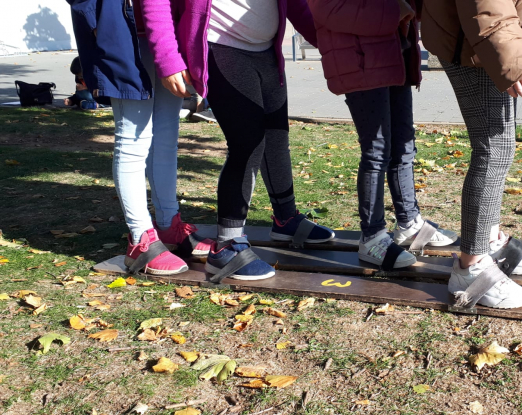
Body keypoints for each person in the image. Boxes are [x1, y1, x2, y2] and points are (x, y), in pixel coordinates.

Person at [141, 0, 334, 282]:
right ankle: (227, 247)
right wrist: (167, 58)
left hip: (266, 50)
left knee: (276, 137)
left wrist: (333, 45)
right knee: (247, 144)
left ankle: (286, 219)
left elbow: (296, 4)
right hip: (219, 45)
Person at [306, 0, 458, 269]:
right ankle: (372, 236)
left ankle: (409, 223)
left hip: (396, 55)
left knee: (404, 147)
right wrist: (393, 13)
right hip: (360, 61)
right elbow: (327, 10)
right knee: (376, 152)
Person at [68, 0, 212, 276]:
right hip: (121, 33)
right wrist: (94, 18)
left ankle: (169, 225)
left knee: (166, 138)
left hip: (166, 33)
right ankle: (140, 238)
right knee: (133, 138)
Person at [421, 0, 522, 310]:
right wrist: (511, 50)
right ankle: (471, 266)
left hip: (495, 36)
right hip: (478, 39)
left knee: (499, 149)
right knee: (493, 150)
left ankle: (486, 242)